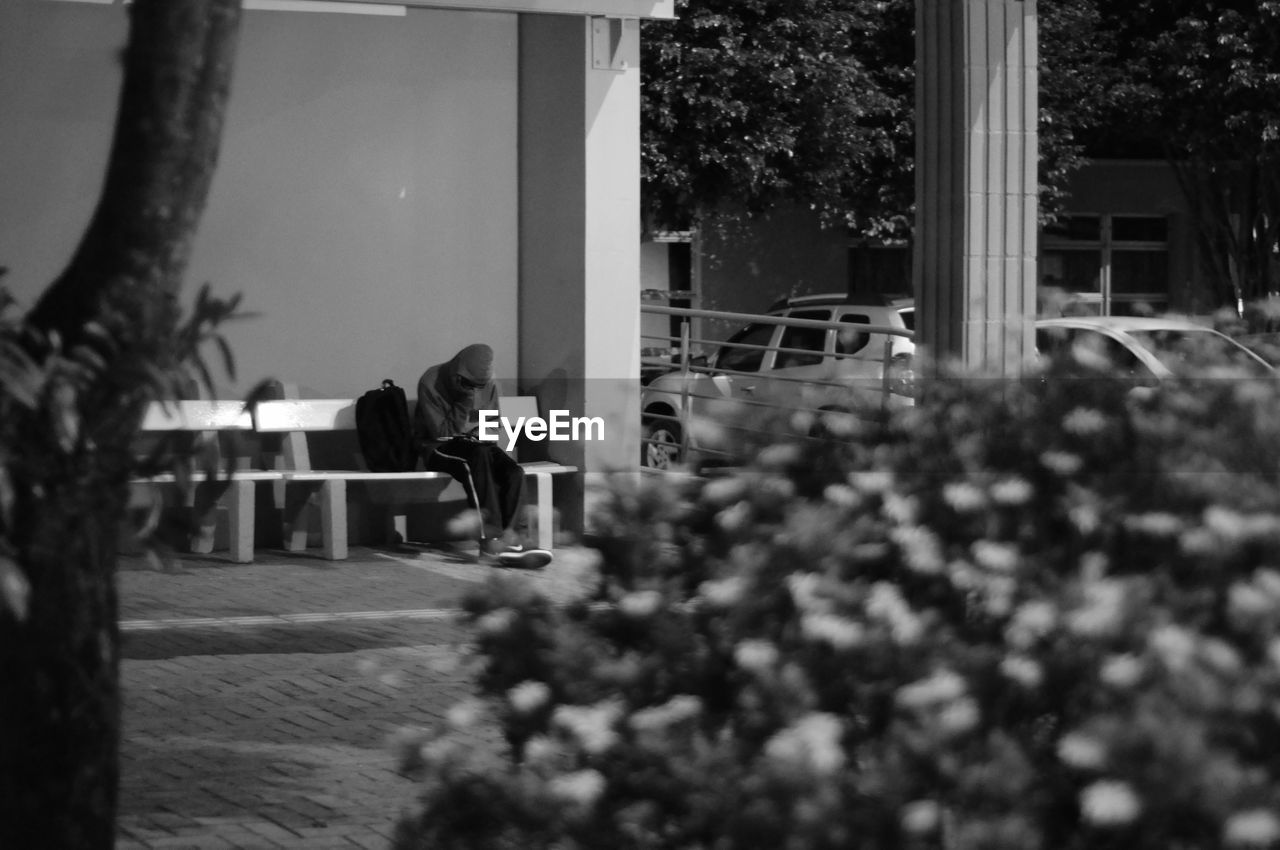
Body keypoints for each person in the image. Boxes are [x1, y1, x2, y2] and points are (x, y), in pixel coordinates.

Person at [414, 343, 551, 569]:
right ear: (458, 373)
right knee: (476, 461)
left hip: (477, 445)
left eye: (479, 386)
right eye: (469, 384)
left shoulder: (489, 384)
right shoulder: (432, 380)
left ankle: (512, 540)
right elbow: (443, 433)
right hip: (438, 447)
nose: (475, 390)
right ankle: (491, 541)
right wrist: (464, 399)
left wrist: (482, 435)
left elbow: (492, 424)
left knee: (513, 471)